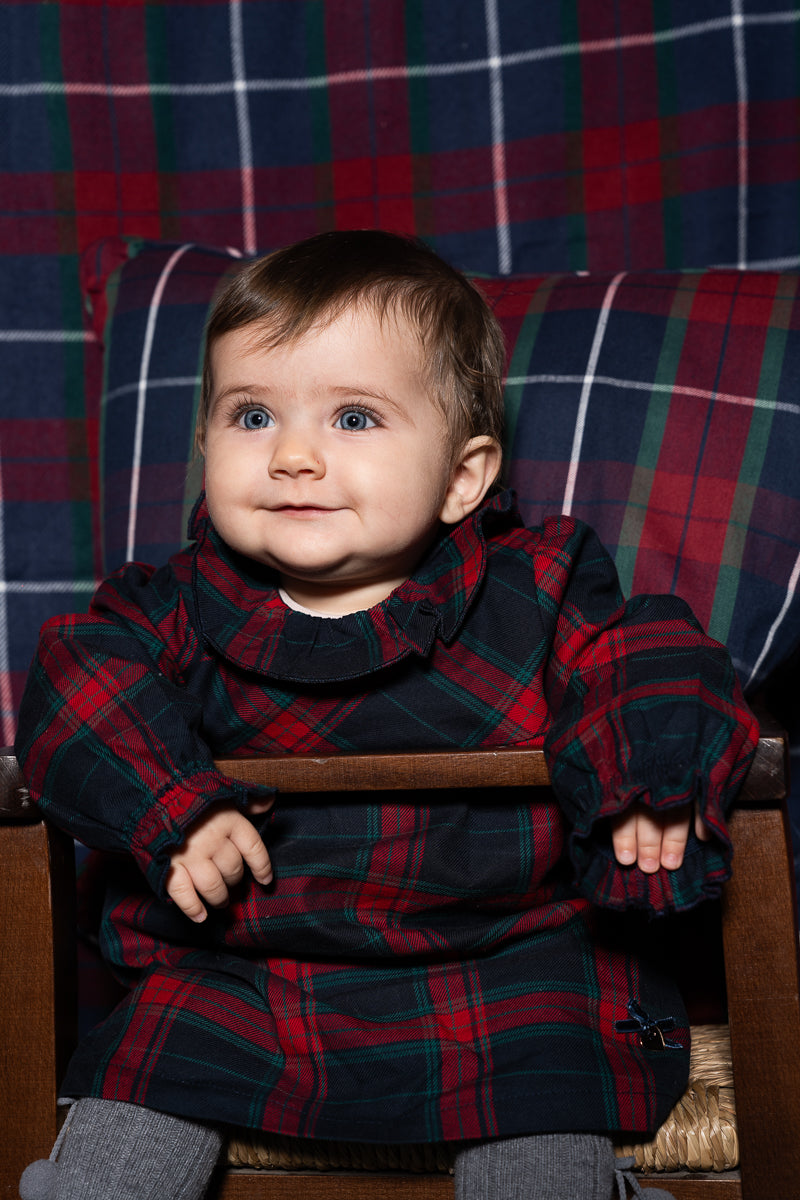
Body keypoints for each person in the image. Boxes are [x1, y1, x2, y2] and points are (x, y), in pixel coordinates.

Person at [15, 230, 758, 1200]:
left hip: (505, 966)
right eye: (249, 415)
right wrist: (173, 806)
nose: (289, 456)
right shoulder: (171, 605)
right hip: (240, 971)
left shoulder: (535, 586)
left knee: (542, 1152)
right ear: (201, 444)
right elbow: (79, 678)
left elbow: (643, 655)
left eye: (354, 418)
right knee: (114, 1146)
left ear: (462, 477)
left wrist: (648, 775)